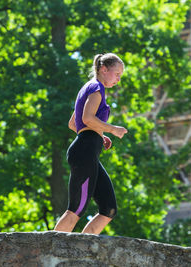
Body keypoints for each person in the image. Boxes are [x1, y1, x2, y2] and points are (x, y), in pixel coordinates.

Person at [54, 53, 128, 234]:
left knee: (108, 208)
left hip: (87, 149)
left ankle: (82, 250)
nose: (118, 79)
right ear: (104, 69)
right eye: (117, 74)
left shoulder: (88, 88)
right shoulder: (96, 88)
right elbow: (87, 118)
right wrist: (112, 129)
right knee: (76, 208)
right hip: (84, 151)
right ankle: (46, 252)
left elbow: (74, 123)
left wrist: (99, 135)